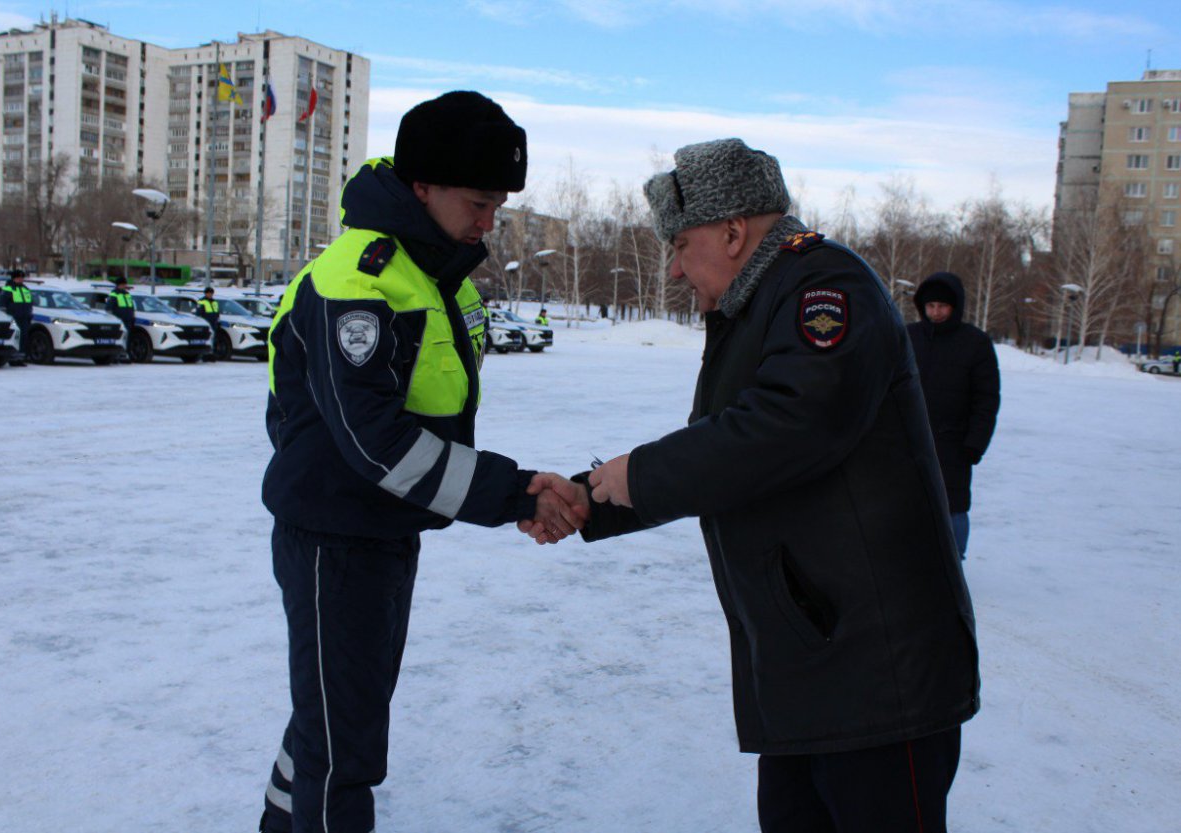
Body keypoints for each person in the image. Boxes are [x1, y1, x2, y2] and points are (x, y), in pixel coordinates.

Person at [524, 139, 979, 833]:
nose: (674, 269)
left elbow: (787, 427)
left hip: (878, 682)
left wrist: (631, 476)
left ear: (734, 231)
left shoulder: (827, 289)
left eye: (680, 245)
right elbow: (726, 459)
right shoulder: (755, 304)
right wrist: (594, 499)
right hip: (810, 671)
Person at [258, 91, 585, 833]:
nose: (487, 223)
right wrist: (517, 494)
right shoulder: (360, 279)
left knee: (337, 716)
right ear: (422, 188)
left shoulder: (436, 278)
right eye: (477, 202)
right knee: (343, 749)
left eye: (496, 205)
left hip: (383, 530)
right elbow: (375, 441)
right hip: (333, 538)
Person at [907, 272, 1001, 558]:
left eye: (942, 306)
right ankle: (910, 560)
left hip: (953, 442)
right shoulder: (907, 336)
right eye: (931, 306)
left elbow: (986, 399)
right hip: (908, 438)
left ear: (955, 307)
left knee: (953, 506)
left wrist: (975, 443)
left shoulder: (975, 343)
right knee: (908, 502)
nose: (936, 312)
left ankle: (952, 561)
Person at [0, 268, 33, 366]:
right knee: (15, 338)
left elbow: (30, 303)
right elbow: (2, 305)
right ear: (13, 278)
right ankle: (13, 359)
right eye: (18, 277)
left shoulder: (25, 289)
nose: (21, 279)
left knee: (23, 338)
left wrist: (30, 315)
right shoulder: (8, 289)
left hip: (25, 318)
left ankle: (20, 358)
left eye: (22, 277)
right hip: (13, 318)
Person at [196, 285, 221, 361]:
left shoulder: (215, 302)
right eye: (208, 293)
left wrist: (217, 320)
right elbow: (198, 313)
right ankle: (203, 355)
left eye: (211, 293)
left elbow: (217, 312)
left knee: (212, 339)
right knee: (205, 339)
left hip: (214, 323)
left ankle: (210, 354)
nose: (210, 294)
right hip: (206, 323)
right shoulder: (201, 301)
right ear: (205, 293)